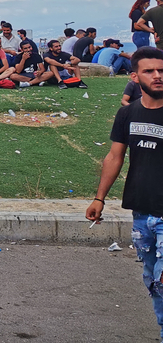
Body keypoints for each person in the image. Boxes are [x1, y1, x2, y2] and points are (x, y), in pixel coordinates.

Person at [86, 47, 163, 340]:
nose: (157, 76)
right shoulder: (128, 113)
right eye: (149, 71)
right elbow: (114, 157)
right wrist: (99, 198)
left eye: (162, 70)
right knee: (154, 283)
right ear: (134, 77)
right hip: (142, 213)